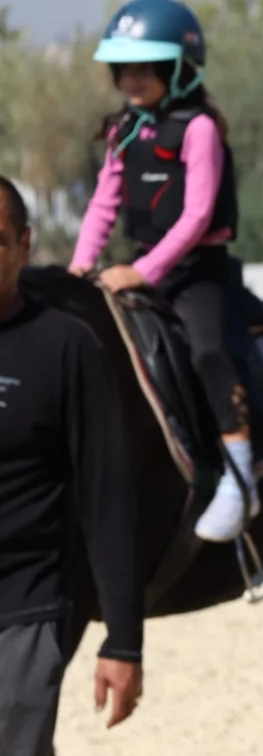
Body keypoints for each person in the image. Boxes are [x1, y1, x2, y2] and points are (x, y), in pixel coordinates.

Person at [69, 0, 257, 542]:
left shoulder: (198, 129)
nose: (132, 79)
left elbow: (197, 216)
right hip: (141, 265)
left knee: (206, 350)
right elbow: (104, 204)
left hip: (196, 271)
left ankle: (241, 473)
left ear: (177, 68)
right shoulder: (123, 130)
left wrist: (142, 272)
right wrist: (81, 265)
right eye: (123, 68)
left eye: (145, 67)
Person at [0, 175, 144, 752]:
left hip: (22, 618)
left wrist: (124, 641)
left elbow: (108, 498)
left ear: (25, 245)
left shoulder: (67, 347)